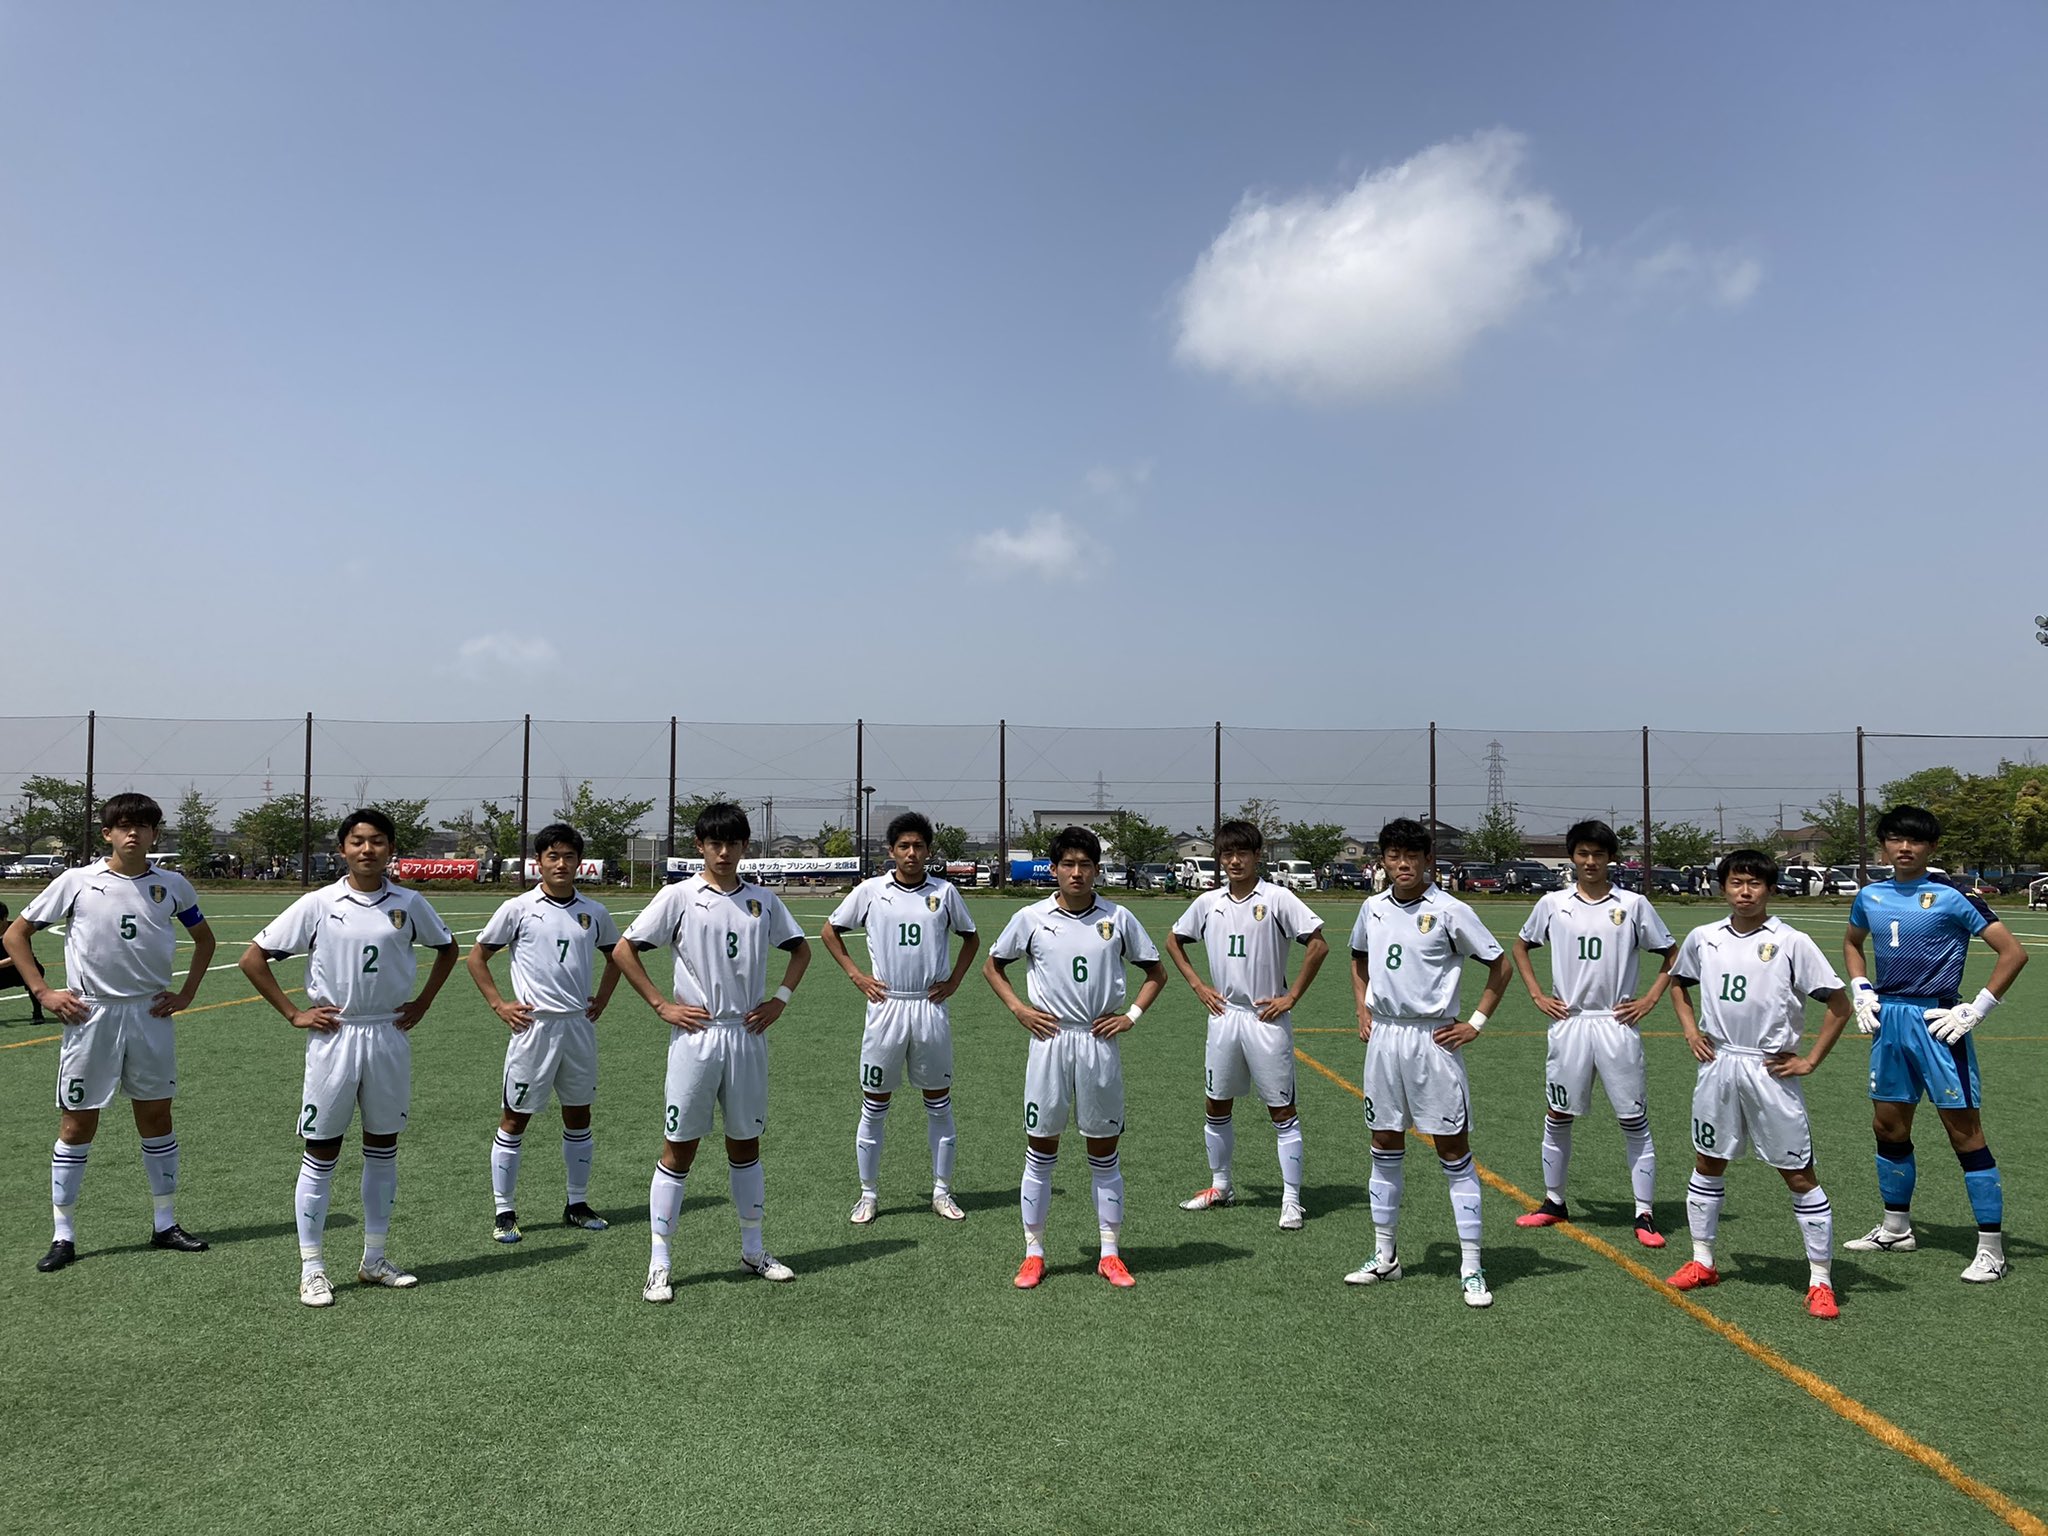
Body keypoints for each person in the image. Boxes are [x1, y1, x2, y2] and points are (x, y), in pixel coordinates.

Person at [240, 808, 459, 1307]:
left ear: (390, 849)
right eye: (357, 841)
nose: (367, 849)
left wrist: (423, 1002)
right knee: (322, 1151)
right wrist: (294, 1013)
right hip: (335, 1037)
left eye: (377, 841)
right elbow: (252, 958)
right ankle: (312, 1267)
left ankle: (374, 1259)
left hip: (387, 1033)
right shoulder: (319, 903)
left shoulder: (408, 903)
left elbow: (447, 949)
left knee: (383, 1146)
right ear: (342, 850)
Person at [5, 793, 216, 1272]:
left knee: (157, 1117)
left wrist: (187, 993)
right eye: (123, 825)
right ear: (107, 833)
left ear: (155, 833)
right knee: (77, 1123)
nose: (132, 833)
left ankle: (165, 1223)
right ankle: (63, 1234)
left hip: (149, 1014)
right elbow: (15, 935)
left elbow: (204, 939)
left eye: (142, 826)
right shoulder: (76, 882)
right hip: (91, 1014)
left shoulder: (172, 885)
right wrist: (43, 992)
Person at [612, 802, 812, 1303]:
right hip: (697, 1038)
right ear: (699, 846)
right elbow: (624, 949)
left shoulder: (762, 900)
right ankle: (660, 1262)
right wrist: (661, 1004)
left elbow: (801, 949)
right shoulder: (678, 896)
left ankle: (753, 1251)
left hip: (746, 1035)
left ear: (746, 847)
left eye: (733, 843)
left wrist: (779, 1000)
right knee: (679, 1146)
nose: (724, 852)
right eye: (714, 843)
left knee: (745, 1144)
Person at [1841, 805, 2029, 1282]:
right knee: (1888, 1126)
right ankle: (1896, 1229)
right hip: (1889, 1020)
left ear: (1932, 847)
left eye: (1916, 840)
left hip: (1938, 1021)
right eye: (1895, 839)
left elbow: (2013, 953)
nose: (1905, 848)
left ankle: (1992, 1250)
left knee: (1964, 1133)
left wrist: (1976, 1009)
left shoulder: (1953, 895)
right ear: (1883, 845)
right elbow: (1852, 943)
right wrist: (1861, 988)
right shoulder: (1870, 895)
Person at [1666, 850, 1852, 1318]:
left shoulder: (1791, 942)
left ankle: (1821, 1280)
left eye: (1754, 883)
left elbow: (1839, 1004)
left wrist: (1810, 1060)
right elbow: (1677, 983)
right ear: (1723, 887)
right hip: (1719, 1063)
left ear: (1769, 889)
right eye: (1736, 883)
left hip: (1769, 1069)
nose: (1744, 892)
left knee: (1798, 1172)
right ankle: (1703, 1261)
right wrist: (1690, 1031)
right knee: (1708, 1161)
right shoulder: (1704, 937)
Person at [985, 825, 1168, 1290]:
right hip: (1049, 1041)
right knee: (1040, 1149)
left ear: (1096, 869)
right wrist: (1019, 1009)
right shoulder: (1030, 917)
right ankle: (1034, 1253)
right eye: (1068, 864)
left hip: (1097, 1041)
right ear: (1053, 869)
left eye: (1085, 864)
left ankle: (1110, 1253)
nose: (1076, 872)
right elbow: (993, 966)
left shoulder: (1118, 917)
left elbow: (1156, 973)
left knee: (1103, 1151)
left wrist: (1131, 1016)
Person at [1343, 818, 1511, 1307]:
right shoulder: (1372, 908)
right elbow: (1357, 959)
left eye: (1412, 856)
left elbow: (1499, 965)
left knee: (1452, 1149)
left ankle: (1472, 1266)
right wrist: (1362, 1008)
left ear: (1427, 860)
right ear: (1383, 861)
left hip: (1432, 1039)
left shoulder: (1450, 910)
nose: (1403, 865)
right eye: (1394, 856)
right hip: (1385, 1038)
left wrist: (1475, 1023)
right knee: (1383, 1141)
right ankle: (1385, 1256)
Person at [1509, 819, 1677, 1247]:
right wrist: (1536, 994)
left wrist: (1649, 1000)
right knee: (1558, 1113)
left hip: (1616, 1022)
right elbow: (1521, 946)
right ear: (1572, 857)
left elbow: (1671, 954)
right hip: (1569, 1022)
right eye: (1583, 854)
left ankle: (1644, 1212)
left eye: (1598, 854)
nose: (1590, 861)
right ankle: (1554, 1202)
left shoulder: (1634, 904)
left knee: (1632, 1118)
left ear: (1610, 858)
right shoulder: (1552, 903)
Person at [1165, 818, 1328, 1229]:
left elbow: (1318, 945)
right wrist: (1198, 985)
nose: (1234, 861)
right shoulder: (1209, 902)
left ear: (1258, 856)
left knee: (1281, 1109)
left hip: (1265, 1017)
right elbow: (1173, 940)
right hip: (1224, 1015)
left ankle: (1291, 1200)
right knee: (1216, 1103)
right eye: (1227, 854)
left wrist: (1291, 997)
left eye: (1242, 853)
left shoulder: (1277, 898)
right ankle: (1221, 1186)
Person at [819, 811, 981, 1224]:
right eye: (904, 846)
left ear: (928, 851)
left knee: (938, 1104)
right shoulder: (871, 891)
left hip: (929, 1007)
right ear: (891, 851)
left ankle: (942, 1192)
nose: (912, 853)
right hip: (886, 1006)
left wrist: (954, 981)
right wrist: (857, 976)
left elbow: (971, 938)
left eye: (919, 846)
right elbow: (830, 931)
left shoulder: (944, 892)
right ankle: (868, 1194)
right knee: (874, 1105)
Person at [467, 823, 623, 1244]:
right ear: (539, 862)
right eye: (552, 856)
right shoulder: (518, 908)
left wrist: (602, 999)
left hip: (578, 1027)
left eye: (569, 856)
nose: (561, 864)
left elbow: (617, 957)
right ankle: (504, 1211)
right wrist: (500, 1004)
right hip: (534, 1028)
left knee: (579, 1114)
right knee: (515, 1117)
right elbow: (477, 958)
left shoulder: (594, 912)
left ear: (579, 862)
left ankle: (577, 1203)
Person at [0, 902, 50, 1024]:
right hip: (2, 971)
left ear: (4, 917)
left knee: (35, 973)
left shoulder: (16, 932)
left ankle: (38, 1013)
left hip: (21, 969)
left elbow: (22, 956)